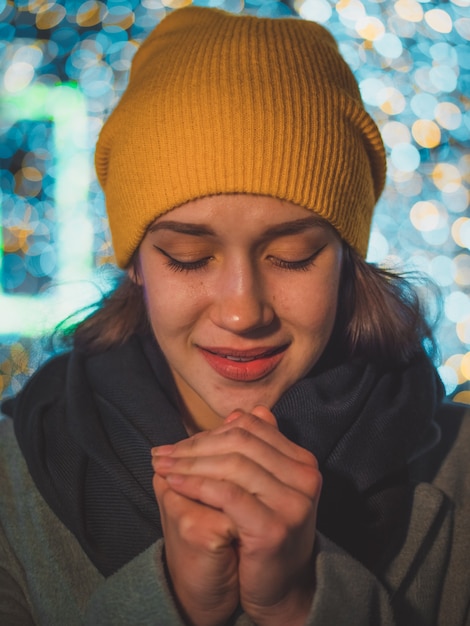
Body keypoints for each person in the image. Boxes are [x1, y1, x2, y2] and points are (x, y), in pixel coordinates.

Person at [0, 6, 469, 625]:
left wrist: (303, 604)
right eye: (189, 258)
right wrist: (171, 603)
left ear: (347, 259)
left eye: (293, 257)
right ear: (137, 263)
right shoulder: (11, 483)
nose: (243, 312)